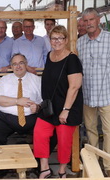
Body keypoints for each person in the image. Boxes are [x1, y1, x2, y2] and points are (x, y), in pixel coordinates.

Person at [76, 8, 110, 176]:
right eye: (85, 20)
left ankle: (109, 167)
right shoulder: (80, 42)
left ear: (98, 20)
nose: (88, 23)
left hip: (107, 93)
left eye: (91, 20)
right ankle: (93, 162)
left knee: (109, 131)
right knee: (90, 129)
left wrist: (109, 78)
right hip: (88, 94)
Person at [34, 25, 83, 179]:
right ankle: (45, 168)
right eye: (53, 38)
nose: (56, 41)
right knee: (39, 134)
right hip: (49, 107)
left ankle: (62, 170)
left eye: (60, 38)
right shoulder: (49, 55)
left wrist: (66, 109)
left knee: (63, 140)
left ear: (66, 40)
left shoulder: (72, 59)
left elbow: (74, 86)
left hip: (67, 107)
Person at [0, 53, 42, 145]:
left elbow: (43, 101)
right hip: (6, 118)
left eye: (21, 63)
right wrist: (18, 101)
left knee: (48, 133)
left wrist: (37, 107)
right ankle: (6, 158)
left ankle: (36, 158)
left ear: (26, 64)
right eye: (15, 64)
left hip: (32, 118)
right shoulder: (4, 80)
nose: (18, 66)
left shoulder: (37, 80)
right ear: (11, 66)